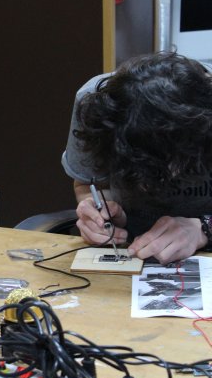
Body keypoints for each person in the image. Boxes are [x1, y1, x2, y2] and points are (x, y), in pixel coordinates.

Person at [62, 51, 212, 265]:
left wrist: (203, 228)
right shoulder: (96, 112)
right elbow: (88, 184)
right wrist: (102, 213)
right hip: (130, 252)